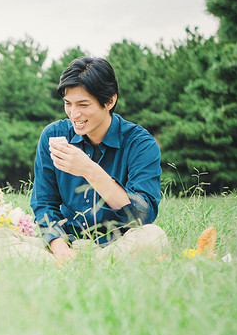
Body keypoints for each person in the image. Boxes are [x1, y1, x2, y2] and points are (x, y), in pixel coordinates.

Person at [28, 56, 169, 264]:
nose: (74, 114)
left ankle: (81, 268)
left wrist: (89, 170)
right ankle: (70, 265)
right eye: (68, 104)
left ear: (110, 101)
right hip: (66, 243)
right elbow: (44, 203)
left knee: (153, 237)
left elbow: (142, 215)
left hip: (117, 244)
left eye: (83, 105)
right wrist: (59, 247)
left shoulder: (140, 143)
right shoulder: (53, 135)